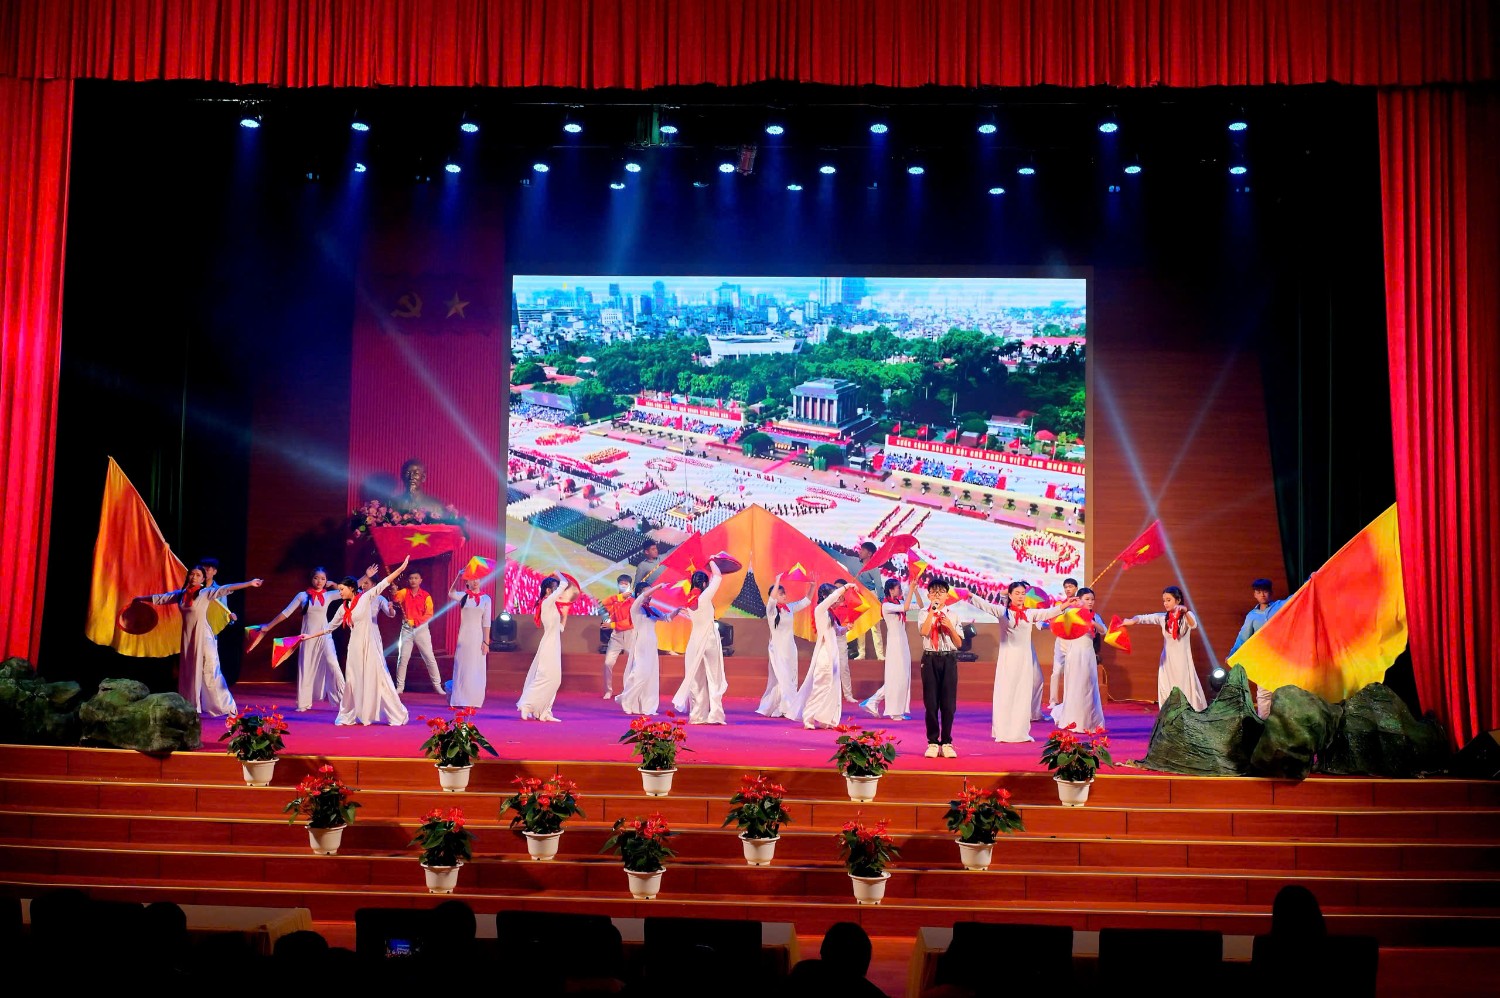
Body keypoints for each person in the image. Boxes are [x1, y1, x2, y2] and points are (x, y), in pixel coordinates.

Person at [135, 567, 263, 716]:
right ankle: (190, 707)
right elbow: (161, 598)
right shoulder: (181, 595)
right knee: (189, 673)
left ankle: (227, 707)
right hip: (188, 639)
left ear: (203, 579)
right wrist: (140, 599)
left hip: (204, 637)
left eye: (198, 575)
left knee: (210, 671)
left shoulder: (205, 593)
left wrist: (250, 583)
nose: (194, 577)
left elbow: (227, 588)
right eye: (192, 574)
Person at [248, 564, 376, 712]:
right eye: (316, 578)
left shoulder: (328, 595)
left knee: (334, 665)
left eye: (322, 579)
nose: (319, 581)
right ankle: (303, 703)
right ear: (311, 579)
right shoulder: (302, 596)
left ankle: (346, 701)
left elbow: (351, 587)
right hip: (307, 637)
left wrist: (366, 576)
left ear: (326, 580)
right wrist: (268, 626)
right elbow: (286, 613)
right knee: (306, 668)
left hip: (324, 636)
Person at [969, 580, 1066, 744]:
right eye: (1017, 593)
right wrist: (969, 595)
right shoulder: (1003, 612)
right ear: (1010, 595)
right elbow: (984, 605)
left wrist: (1065, 605)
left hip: (1024, 660)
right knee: (1006, 693)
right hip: (1008, 659)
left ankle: (1020, 731)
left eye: (1023, 594)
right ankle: (1003, 730)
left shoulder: (1030, 613)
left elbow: (1048, 613)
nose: (1020, 596)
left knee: (1023, 694)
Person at [333, 556, 411, 726]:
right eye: (363, 583)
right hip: (357, 639)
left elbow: (390, 613)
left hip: (372, 636)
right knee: (355, 676)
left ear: (373, 584)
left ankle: (391, 711)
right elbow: (350, 591)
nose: (364, 585)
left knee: (377, 672)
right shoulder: (355, 600)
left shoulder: (376, 598)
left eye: (367, 583)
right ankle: (355, 711)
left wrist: (391, 609)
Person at [1121, 585, 1208, 710]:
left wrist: (1185, 611)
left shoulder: (1187, 615)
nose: (1165, 603)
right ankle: (1168, 714)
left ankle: (1185, 713)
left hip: (1181, 661)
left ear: (1178, 600)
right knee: (1167, 688)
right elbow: (1144, 618)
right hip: (1167, 661)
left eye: (1168, 600)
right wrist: (1132, 621)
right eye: (1164, 600)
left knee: (1182, 688)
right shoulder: (1163, 618)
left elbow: (1193, 625)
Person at [671, 564, 728, 724]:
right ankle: (715, 715)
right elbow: (718, 576)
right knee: (714, 677)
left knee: (696, 679)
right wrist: (712, 560)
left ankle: (697, 716)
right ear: (704, 584)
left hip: (695, 641)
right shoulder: (704, 597)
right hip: (709, 639)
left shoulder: (689, 600)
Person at [792, 581, 854, 729]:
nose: (836, 600)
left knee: (832, 687)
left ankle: (826, 718)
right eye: (834, 597)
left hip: (833, 653)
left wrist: (846, 628)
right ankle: (808, 717)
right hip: (824, 654)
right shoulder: (820, 609)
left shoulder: (829, 614)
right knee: (820, 686)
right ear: (825, 596)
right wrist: (847, 586)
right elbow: (833, 598)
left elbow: (837, 631)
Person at [916, 577, 964, 758]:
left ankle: (947, 742)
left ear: (947, 596)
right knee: (931, 703)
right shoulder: (923, 613)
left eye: (941, 592)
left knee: (949, 704)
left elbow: (959, 643)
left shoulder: (953, 615)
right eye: (934, 592)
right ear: (929, 595)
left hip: (948, 659)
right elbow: (924, 632)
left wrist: (950, 627)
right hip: (930, 659)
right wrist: (932, 611)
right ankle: (933, 742)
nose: (937, 595)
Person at [1050, 587, 1108, 732]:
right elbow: (1059, 625)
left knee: (1088, 686)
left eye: (1092, 599)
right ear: (1079, 600)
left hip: (1088, 654)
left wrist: (1093, 623)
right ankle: (1073, 720)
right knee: (1075, 686)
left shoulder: (1094, 616)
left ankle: (1089, 721)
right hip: (1074, 653)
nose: (1090, 602)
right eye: (1087, 599)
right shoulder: (1072, 613)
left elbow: (1104, 631)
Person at [1229, 578, 1288, 717]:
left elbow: (1298, 597)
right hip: (1264, 660)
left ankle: (1284, 724)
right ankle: (1264, 724)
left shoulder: (1280, 606)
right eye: (1259, 592)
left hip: (1282, 657)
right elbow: (1243, 637)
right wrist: (1233, 653)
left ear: (1270, 592)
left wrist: (1310, 580)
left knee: (1284, 690)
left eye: (1265, 591)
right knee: (1264, 693)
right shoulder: (1252, 616)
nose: (1262, 595)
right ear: (1254, 594)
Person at [516, 572, 571, 721]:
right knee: (544, 677)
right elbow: (565, 584)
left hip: (554, 644)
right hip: (548, 645)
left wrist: (565, 616)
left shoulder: (551, 606)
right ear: (548, 590)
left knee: (555, 680)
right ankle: (526, 704)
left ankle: (544, 712)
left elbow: (559, 628)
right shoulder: (546, 602)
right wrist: (559, 574)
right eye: (555, 588)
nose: (558, 590)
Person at [757, 572, 812, 719]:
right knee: (783, 677)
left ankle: (781, 706)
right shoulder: (771, 610)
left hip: (790, 648)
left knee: (791, 677)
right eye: (780, 594)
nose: (784, 595)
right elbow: (772, 599)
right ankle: (788, 707)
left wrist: (812, 586)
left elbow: (806, 601)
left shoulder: (789, 608)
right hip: (777, 649)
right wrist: (777, 580)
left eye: (784, 593)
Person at [861, 578, 917, 719]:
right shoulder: (886, 605)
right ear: (891, 590)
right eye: (898, 588)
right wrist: (910, 590)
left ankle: (877, 702)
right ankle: (893, 710)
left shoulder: (898, 603)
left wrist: (915, 591)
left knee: (903, 676)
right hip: (894, 643)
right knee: (896, 676)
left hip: (903, 642)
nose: (900, 590)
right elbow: (905, 608)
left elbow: (919, 606)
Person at [617, 582, 671, 715]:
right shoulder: (636, 607)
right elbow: (643, 596)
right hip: (640, 644)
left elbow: (666, 617)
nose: (651, 595)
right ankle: (626, 700)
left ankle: (648, 706)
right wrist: (658, 586)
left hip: (651, 645)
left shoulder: (651, 609)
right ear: (640, 593)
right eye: (648, 592)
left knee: (651, 676)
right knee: (641, 674)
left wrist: (678, 610)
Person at [393, 571, 444, 694]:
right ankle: (400, 686)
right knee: (403, 658)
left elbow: (429, 614)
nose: (413, 580)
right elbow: (396, 599)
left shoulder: (426, 596)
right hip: (407, 629)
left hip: (422, 629)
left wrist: (415, 621)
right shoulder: (404, 592)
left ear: (420, 580)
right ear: (408, 580)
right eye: (411, 578)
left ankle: (437, 685)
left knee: (429, 657)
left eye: (416, 578)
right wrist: (394, 591)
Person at [447, 569, 491, 709]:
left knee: (476, 667)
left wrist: (486, 642)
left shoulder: (486, 599)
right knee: (462, 666)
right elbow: (451, 593)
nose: (475, 581)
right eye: (472, 579)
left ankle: (474, 699)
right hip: (464, 637)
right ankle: (460, 699)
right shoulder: (463, 596)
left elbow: (486, 622)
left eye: (477, 578)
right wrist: (458, 575)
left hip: (478, 637)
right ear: (467, 582)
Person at [599, 574, 636, 699]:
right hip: (616, 636)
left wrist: (612, 625)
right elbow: (604, 603)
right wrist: (620, 597)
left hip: (630, 635)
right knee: (608, 663)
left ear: (630, 586)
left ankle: (630, 690)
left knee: (634, 664)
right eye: (621, 583)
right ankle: (608, 690)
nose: (623, 585)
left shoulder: (633, 602)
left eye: (626, 583)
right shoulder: (615, 600)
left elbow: (629, 622)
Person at [1048, 577, 1080, 713]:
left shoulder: (1080, 604)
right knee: (1056, 671)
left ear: (1076, 588)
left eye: (1071, 586)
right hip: (1061, 639)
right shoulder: (1060, 604)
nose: (1068, 589)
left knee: (1070, 671)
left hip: (1074, 640)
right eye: (1066, 587)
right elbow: (1053, 619)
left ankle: (1069, 699)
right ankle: (1053, 700)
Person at [851, 541, 886, 661]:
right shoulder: (855, 564)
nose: (860, 552)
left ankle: (880, 654)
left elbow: (879, 586)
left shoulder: (874, 568)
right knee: (860, 624)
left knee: (875, 626)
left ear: (869, 553)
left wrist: (881, 603)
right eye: (860, 549)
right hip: (858, 595)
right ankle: (861, 653)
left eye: (863, 550)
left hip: (871, 595)